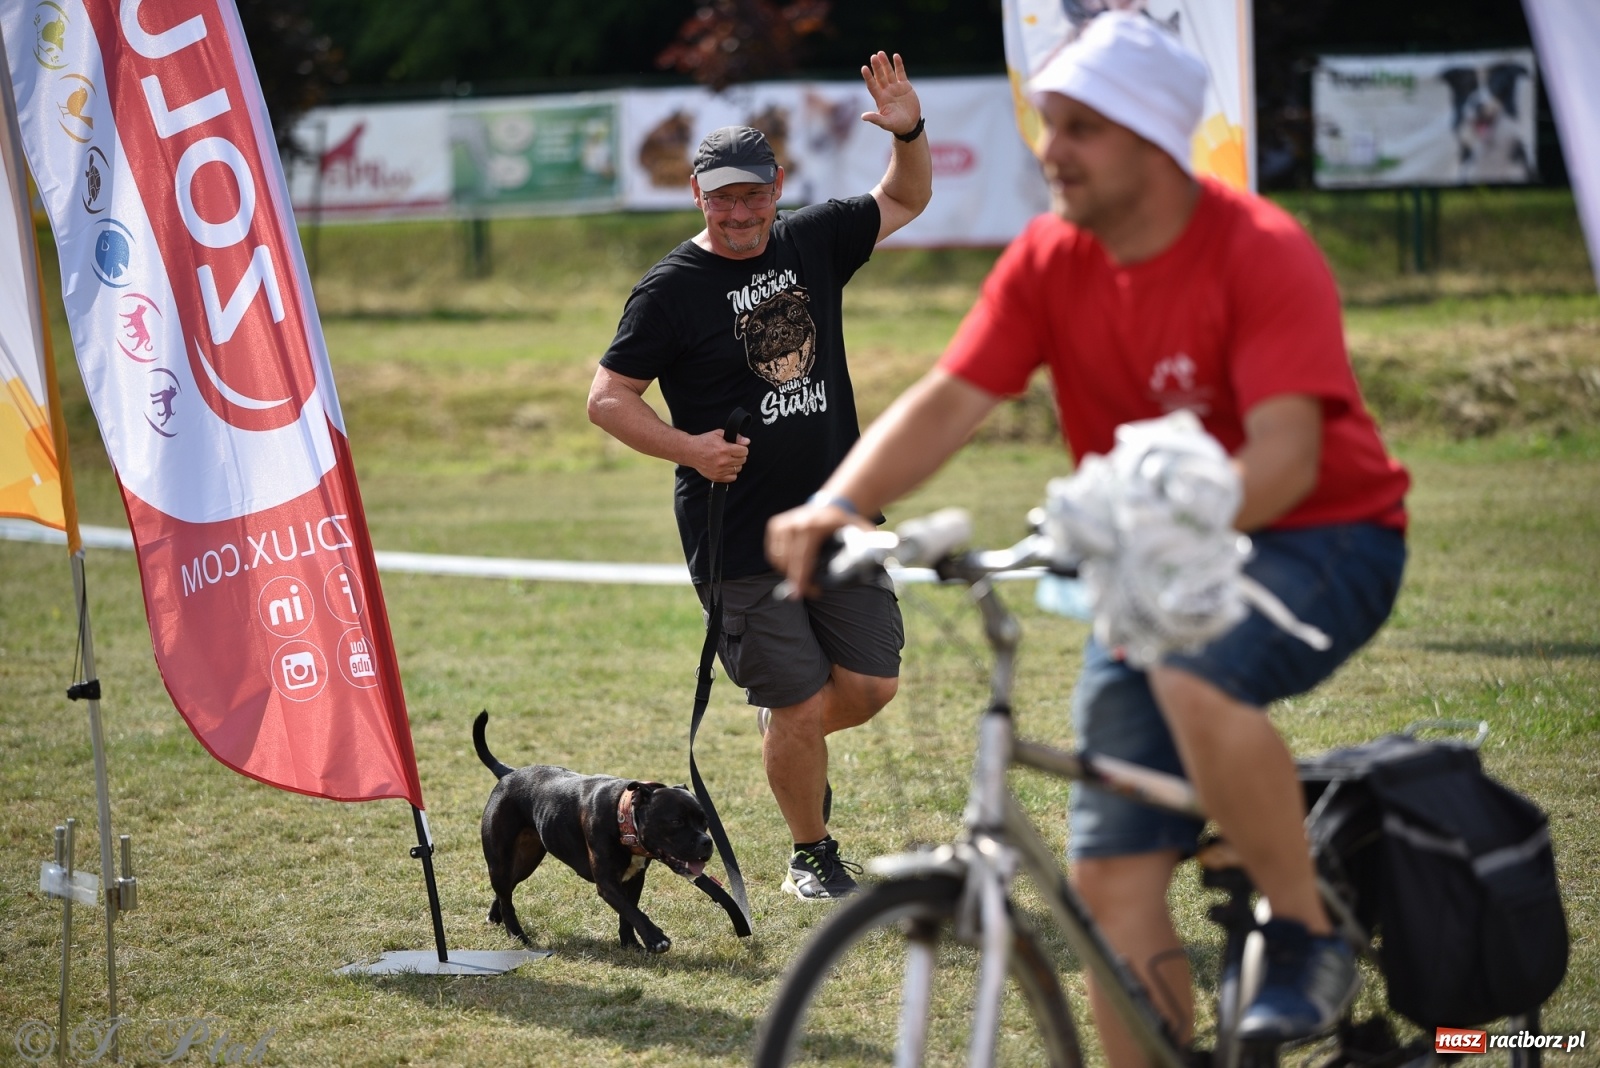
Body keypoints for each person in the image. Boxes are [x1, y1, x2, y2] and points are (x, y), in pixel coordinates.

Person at [765, 11, 1409, 1059]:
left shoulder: (1260, 250)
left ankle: (1307, 931)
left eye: (1075, 129)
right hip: (1151, 567)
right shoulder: (1050, 258)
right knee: (1111, 884)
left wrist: (1164, 530)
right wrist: (837, 501)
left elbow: (1290, 457)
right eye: (1044, 124)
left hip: (1323, 537)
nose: (1047, 150)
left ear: (1153, 140)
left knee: (1191, 670)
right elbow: (951, 394)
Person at [586, 53, 933, 902]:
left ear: (777, 188)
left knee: (872, 683)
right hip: (738, 536)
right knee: (803, 701)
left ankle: (793, 740)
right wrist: (691, 450)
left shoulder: (812, 239)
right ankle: (811, 850)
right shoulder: (669, 291)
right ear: (698, 197)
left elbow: (907, 198)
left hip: (835, 517)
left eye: (753, 193)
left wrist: (910, 133)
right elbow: (606, 398)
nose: (739, 210)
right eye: (722, 196)